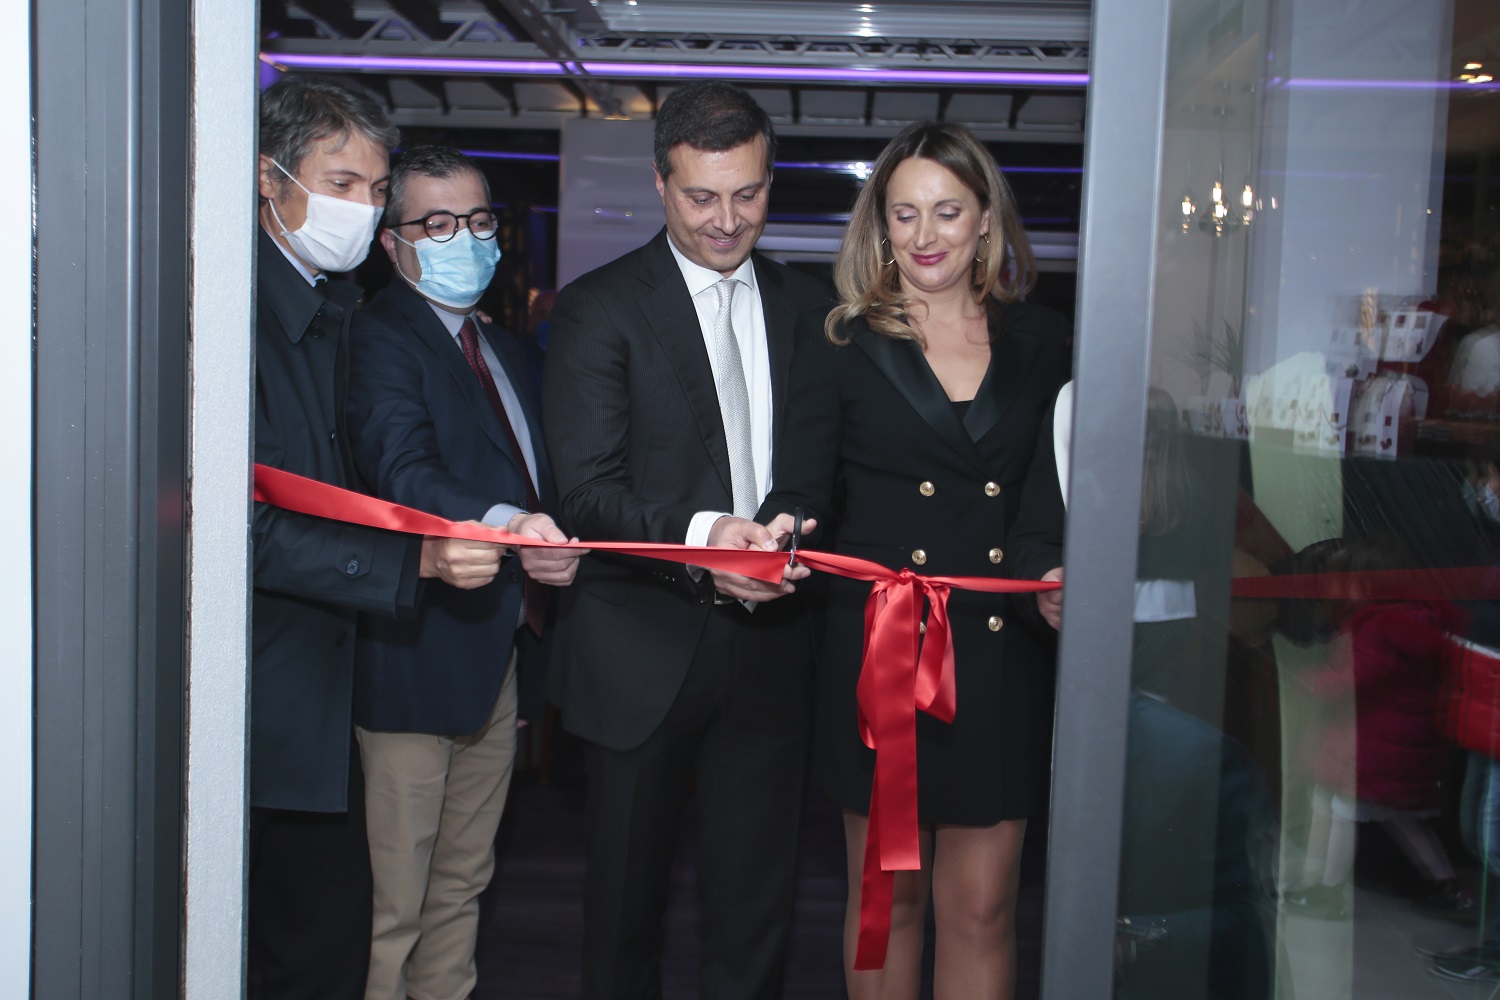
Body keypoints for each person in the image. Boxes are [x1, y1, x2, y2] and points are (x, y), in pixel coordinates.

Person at [752, 121, 1070, 999]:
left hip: (999, 651)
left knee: (983, 910)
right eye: (905, 213)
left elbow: (1047, 502)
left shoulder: (1043, 340)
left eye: (947, 211)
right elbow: (802, 490)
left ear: (985, 219)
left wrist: (1049, 575)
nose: (925, 235)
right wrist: (777, 535)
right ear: (880, 224)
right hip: (882, 653)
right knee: (888, 903)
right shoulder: (840, 339)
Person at [542, 81, 832, 999]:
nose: (726, 220)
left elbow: (816, 464)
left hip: (772, 652)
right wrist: (714, 542)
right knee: (623, 922)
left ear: (771, 181)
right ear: (660, 183)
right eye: (702, 196)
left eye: (748, 193)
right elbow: (587, 493)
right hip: (640, 653)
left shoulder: (809, 306)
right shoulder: (598, 309)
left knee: (756, 917)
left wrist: (787, 527)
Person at [250, 80, 505, 1000]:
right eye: (341, 185)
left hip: (320, 683)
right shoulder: (238, 318)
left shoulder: (329, 313)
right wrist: (419, 557)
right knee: (319, 942)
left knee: (336, 936)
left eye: (373, 188)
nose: (362, 209)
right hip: (264, 691)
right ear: (269, 180)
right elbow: (245, 530)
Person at [344, 145, 584, 1000]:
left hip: (496, 657)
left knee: (461, 885)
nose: (466, 240)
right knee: (393, 904)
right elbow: (401, 468)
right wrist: (508, 523)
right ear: (393, 244)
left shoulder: (508, 350)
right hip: (414, 659)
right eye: (438, 224)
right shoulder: (378, 336)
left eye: (479, 222)